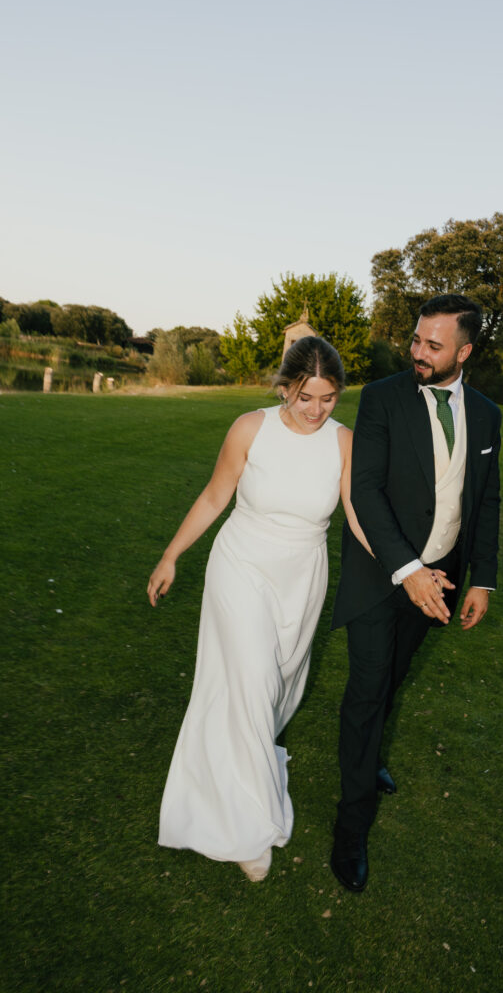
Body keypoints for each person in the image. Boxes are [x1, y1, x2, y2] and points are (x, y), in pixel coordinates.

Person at [148, 336, 369, 882]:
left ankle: (233, 772)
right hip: (241, 565)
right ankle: (249, 829)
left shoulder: (343, 442)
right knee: (248, 682)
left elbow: (359, 515)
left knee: (274, 688)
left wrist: (405, 567)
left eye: (329, 398)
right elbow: (214, 497)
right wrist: (171, 556)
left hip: (302, 574)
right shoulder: (250, 429)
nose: (316, 410)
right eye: (304, 397)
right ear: (284, 388)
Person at [330, 293, 501, 892]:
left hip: (444, 579)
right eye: (415, 340)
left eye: (434, 344)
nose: (418, 353)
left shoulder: (486, 414)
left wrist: (482, 577)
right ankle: (350, 831)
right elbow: (367, 493)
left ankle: (370, 749)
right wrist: (408, 569)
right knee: (368, 688)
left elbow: (485, 500)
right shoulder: (380, 399)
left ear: (465, 350)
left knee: (395, 676)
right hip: (383, 578)